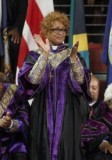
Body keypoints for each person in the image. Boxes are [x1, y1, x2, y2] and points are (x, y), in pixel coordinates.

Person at [18, 11, 91, 160]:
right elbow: (31, 81)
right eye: (55, 29)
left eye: (63, 29)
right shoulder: (35, 55)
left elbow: (81, 82)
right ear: (46, 31)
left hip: (69, 111)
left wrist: (73, 60)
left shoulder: (73, 54)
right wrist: (45, 55)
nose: (60, 33)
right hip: (42, 111)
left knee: (67, 148)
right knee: (42, 147)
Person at [0, 72, 29, 160]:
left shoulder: (15, 93)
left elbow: (26, 122)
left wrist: (10, 124)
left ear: (1, 84)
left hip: (11, 145)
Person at [6, 0, 28, 79]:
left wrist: (17, 28)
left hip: (12, 29)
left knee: (15, 44)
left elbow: (22, 11)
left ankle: (15, 79)